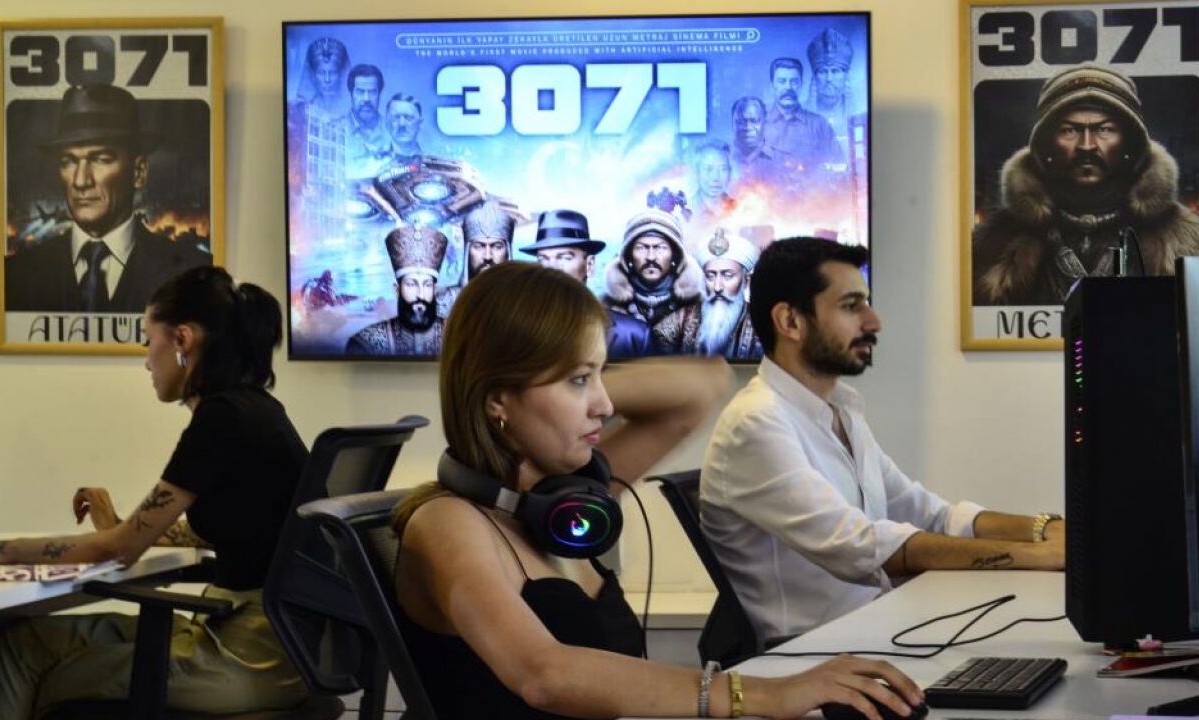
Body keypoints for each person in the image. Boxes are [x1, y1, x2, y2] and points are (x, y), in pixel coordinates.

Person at [390, 260, 925, 720]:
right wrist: (764, 694)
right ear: (496, 398)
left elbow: (699, 388)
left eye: (599, 376)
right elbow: (543, 673)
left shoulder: (569, 504)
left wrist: (567, 380)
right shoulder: (447, 523)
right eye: (579, 381)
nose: (604, 405)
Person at [0, 266, 309, 718]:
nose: (146, 361)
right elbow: (224, 530)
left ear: (181, 340)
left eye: (147, 341)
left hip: (248, 656)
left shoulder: (223, 420)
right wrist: (122, 527)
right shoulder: (254, 410)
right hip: (263, 638)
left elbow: (120, 550)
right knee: (20, 643)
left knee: (51, 677)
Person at [701, 237, 1067, 642]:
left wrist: (1045, 529)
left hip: (872, 634)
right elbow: (862, 547)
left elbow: (933, 517)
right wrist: (1039, 556)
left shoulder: (841, 411)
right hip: (810, 657)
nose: (874, 322)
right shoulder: (755, 423)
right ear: (790, 322)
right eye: (851, 306)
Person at [972, 64, 1199, 305]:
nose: (1086, 145)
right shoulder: (991, 244)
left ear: (1130, 144)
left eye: (1104, 129)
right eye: (1069, 130)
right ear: (1046, 146)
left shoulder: (1187, 240)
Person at [4, 84, 210, 314]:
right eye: (68, 161)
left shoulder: (193, 276)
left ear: (138, 172)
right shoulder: (14, 276)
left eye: (101, 159)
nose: (81, 181)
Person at [523, 209, 652, 359]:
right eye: (543, 259)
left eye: (564, 257)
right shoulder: (519, 333)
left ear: (589, 265)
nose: (551, 267)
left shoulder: (634, 336)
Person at [652, 228, 761, 359]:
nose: (717, 287)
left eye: (728, 276)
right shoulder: (683, 318)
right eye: (710, 276)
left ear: (746, 281)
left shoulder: (760, 323)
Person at [346, 225, 447, 356]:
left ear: (435, 289)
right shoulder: (365, 343)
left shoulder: (457, 335)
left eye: (427, 285)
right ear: (397, 290)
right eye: (411, 284)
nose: (420, 295)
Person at [602, 208, 703, 327]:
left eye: (660, 247)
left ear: (675, 255)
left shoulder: (696, 305)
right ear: (628, 255)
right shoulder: (606, 306)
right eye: (641, 247)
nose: (651, 257)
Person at [761, 58, 842, 177]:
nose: (788, 87)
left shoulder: (820, 125)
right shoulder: (758, 125)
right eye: (782, 81)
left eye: (794, 81)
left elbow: (839, 167)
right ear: (772, 86)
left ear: (801, 85)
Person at [436, 200, 516, 317]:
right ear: (467, 251)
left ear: (508, 252)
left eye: (497, 246)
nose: (487, 256)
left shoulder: (524, 301)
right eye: (479, 246)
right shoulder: (446, 303)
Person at [805, 28, 859, 157]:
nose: (829, 79)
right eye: (823, 72)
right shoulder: (800, 116)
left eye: (835, 71)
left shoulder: (860, 113)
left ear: (845, 76)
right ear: (815, 77)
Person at [344, 63, 390, 179]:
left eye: (372, 92)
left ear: (379, 94)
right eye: (360, 92)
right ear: (351, 94)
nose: (366, 99)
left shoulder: (393, 132)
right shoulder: (334, 130)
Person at [296, 36, 348, 119]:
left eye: (333, 73)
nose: (327, 80)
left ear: (340, 75)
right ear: (313, 75)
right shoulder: (303, 112)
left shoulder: (349, 110)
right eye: (321, 73)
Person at [690, 139, 735, 221]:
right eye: (708, 169)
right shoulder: (685, 210)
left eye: (723, 169)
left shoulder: (740, 209)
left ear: (730, 173)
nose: (715, 177)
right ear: (696, 173)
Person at [385, 93, 425, 164]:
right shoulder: (372, 164)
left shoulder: (433, 165)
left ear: (420, 123)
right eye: (396, 117)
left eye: (408, 117)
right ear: (387, 123)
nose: (402, 123)